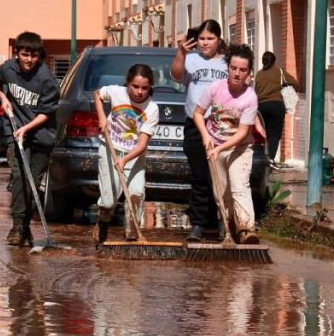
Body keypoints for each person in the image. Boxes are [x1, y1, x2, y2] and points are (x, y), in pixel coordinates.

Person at [0, 31, 60, 247]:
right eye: (25, 54)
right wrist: (3, 99)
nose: (29, 60)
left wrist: (27, 129)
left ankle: (26, 227)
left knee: (32, 183)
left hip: (41, 135)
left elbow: (46, 114)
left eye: (34, 55)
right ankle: (17, 226)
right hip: (15, 129)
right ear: (17, 53)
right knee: (20, 177)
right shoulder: (8, 69)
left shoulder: (47, 79)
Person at [192, 44, 261, 245]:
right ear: (227, 67)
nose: (237, 73)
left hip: (240, 147)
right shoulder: (214, 88)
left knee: (240, 186)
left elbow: (242, 133)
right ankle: (232, 228)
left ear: (249, 72)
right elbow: (198, 113)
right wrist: (205, 136)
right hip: (214, 145)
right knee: (221, 192)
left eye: (242, 70)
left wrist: (220, 148)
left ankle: (247, 229)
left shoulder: (250, 98)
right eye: (233, 68)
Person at [171, 19, 229, 242]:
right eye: (202, 39)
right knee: (200, 175)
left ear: (218, 40)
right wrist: (181, 52)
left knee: (220, 176)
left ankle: (220, 222)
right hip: (196, 124)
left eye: (210, 39)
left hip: (222, 126)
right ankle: (198, 223)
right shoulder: (191, 59)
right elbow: (176, 75)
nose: (205, 43)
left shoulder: (226, 62)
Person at [92, 64, 159, 244]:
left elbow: (142, 144)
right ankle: (104, 219)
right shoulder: (115, 92)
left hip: (134, 155)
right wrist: (101, 116)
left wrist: (126, 159)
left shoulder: (152, 108)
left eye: (144, 88)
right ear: (128, 83)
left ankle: (131, 235)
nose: (139, 92)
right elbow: (97, 94)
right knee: (108, 201)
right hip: (109, 148)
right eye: (135, 86)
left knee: (136, 193)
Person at [254, 51, 299, 167]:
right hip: (276, 105)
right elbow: (295, 83)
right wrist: (284, 87)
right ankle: (270, 158)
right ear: (274, 61)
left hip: (261, 106)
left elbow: (256, 91)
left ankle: (260, 156)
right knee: (274, 134)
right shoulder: (279, 72)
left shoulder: (258, 74)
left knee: (262, 132)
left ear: (263, 61)